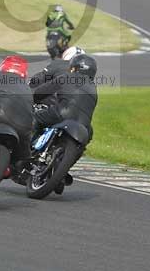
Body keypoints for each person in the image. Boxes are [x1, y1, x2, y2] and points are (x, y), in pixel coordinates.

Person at [31, 53, 99, 194]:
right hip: (84, 126)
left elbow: (39, 93)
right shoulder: (94, 88)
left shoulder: (65, 77)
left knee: (34, 119)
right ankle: (65, 169)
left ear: (74, 68)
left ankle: (25, 151)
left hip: (61, 114)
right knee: (85, 142)